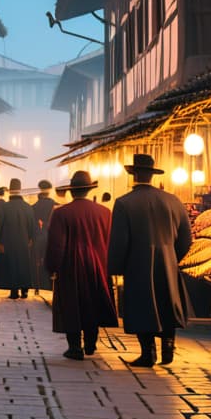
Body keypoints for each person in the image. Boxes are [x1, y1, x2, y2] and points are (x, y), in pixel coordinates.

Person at [107, 153, 192, 367]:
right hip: (169, 261)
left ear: (133, 175)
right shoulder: (173, 200)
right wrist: (175, 258)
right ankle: (168, 347)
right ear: (152, 175)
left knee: (142, 306)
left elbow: (119, 240)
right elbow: (186, 239)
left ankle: (148, 353)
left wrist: (116, 266)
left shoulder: (124, 203)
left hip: (138, 263)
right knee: (167, 304)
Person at [45, 170, 119, 360]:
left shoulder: (61, 213)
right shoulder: (105, 213)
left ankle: (75, 346)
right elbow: (111, 241)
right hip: (98, 265)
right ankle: (91, 343)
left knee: (72, 305)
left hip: (71, 265)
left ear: (72, 191)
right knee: (92, 302)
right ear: (88, 190)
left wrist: (52, 267)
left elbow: (56, 244)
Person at [0, 178, 35, 299]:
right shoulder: (28, 207)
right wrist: (31, 239)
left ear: (9, 191)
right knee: (23, 265)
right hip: (23, 242)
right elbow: (33, 227)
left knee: (11, 266)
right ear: (20, 190)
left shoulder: (4, 207)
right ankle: (25, 290)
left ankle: (14, 291)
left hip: (7, 242)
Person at [32, 180, 57, 291]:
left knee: (37, 261)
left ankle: (37, 285)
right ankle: (49, 285)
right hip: (51, 236)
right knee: (50, 260)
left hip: (37, 236)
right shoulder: (54, 205)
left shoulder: (34, 206)